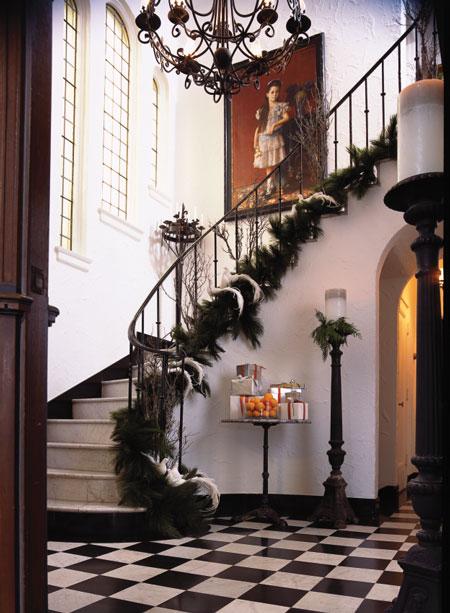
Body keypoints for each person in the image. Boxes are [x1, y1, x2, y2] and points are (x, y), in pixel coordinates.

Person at [253, 79, 290, 196]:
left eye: (277, 92)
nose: (275, 94)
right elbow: (259, 128)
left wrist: (274, 125)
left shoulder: (279, 106)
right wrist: (255, 143)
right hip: (264, 140)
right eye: (272, 92)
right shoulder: (262, 110)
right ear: (267, 94)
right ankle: (270, 187)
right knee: (268, 165)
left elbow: (286, 118)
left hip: (275, 139)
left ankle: (279, 185)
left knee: (276, 163)